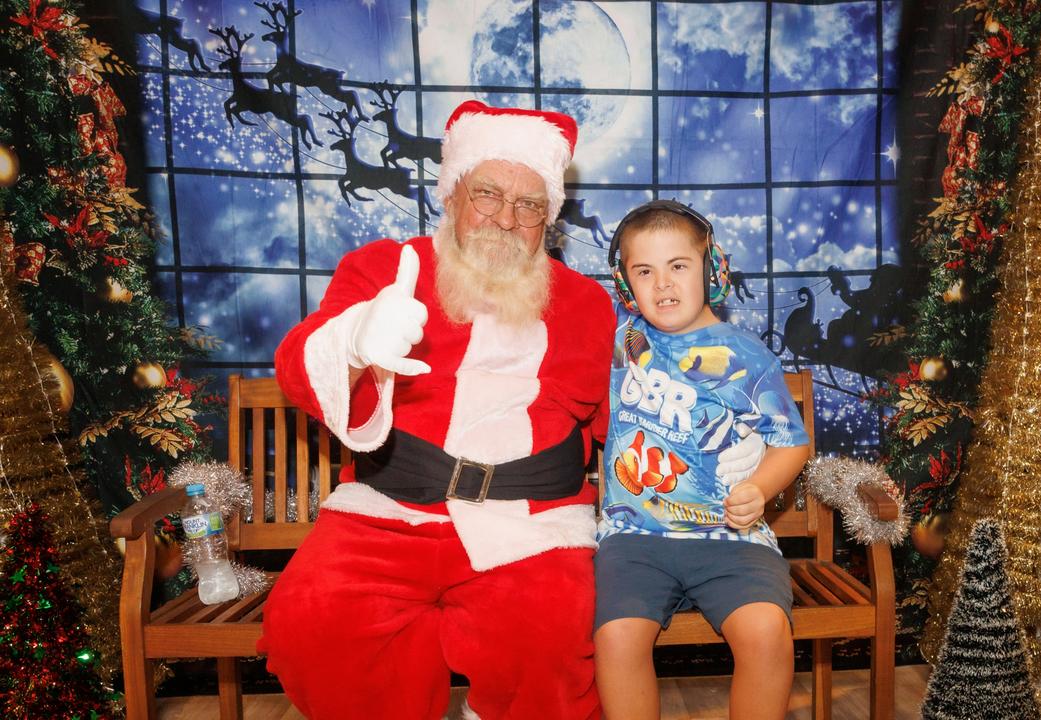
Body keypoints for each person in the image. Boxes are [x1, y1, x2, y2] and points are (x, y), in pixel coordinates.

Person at [259, 100, 615, 720]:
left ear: (549, 220)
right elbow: (296, 368)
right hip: (386, 512)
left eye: (529, 205)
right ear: (452, 195)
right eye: (487, 194)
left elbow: (628, 422)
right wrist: (353, 342)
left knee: (550, 644)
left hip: (534, 524)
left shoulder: (585, 304)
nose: (505, 219)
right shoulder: (383, 270)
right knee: (309, 622)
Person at [593, 200, 811, 720]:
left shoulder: (747, 357)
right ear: (625, 286)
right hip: (634, 537)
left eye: (678, 266)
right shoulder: (622, 341)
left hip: (731, 539)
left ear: (713, 270)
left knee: (766, 630)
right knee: (617, 637)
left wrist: (761, 487)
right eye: (643, 271)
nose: (662, 284)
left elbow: (792, 443)